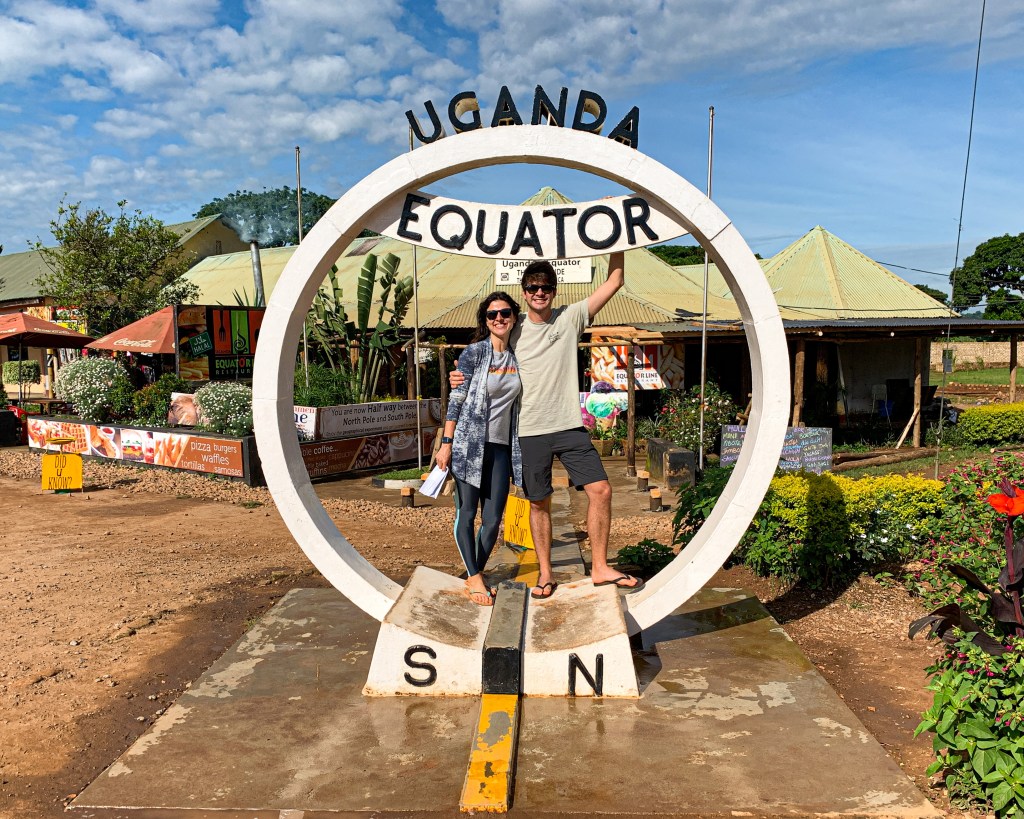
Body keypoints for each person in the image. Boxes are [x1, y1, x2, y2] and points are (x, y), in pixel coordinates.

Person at [450, 252, 643, 600]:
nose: (539, 293)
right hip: (529, 431)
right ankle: (545, 574)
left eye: (546, 287)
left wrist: (620, 239)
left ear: (554, 291)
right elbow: (485, 353)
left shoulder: (571, 316)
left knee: (601, 490)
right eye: (532, 288)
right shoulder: (513, 325)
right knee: (538, 502)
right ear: (524, 292)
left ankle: (600, 568)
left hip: (569, 426)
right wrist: (458, 376)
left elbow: (615, 281)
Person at [436, 292, 523, 606]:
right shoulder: (474, 353)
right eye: (492, 314)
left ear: (514, 317)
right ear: (485, 321)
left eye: (505, 313)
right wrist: (446, 444)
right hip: (468, 446)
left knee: (493, 519)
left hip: (501, 447)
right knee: (467, 513)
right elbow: (456, 400)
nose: (499, 319)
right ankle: (475, 578)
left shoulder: (519, 355)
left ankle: (476, 574)